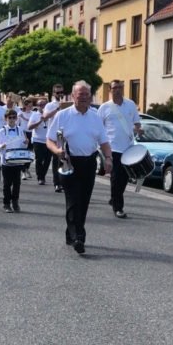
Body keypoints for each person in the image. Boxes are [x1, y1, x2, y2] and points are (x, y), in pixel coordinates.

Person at [46, 81, 112, 254]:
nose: (83, 97)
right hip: (69, 161)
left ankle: (71, 233)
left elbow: (104, 140)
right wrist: (57, 150)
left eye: (86, 95)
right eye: (80, 94)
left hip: (89, 163)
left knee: (83, 201)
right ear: (73, 96)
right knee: (73, 199)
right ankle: (78, 237)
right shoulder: (63, 115)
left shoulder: (95, 116)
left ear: (90, 97)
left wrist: (109, 158)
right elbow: (50, 139)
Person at [99, 79, 143, 218]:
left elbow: (137, 123)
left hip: (128, 147)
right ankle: (118, 207)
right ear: (110, 90)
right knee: (116, 178)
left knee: (124, 178)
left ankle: (114, 198)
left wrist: (138, 130)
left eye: (120, 87)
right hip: (112, 148)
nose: (117, 89)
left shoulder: (130, 105)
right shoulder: (104, 107)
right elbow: (98, 127)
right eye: (115, 87)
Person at [0, 108, 27, 213]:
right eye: (10, 118)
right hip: (6, 161)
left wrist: (26, 143)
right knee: (7, 184)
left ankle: (15, 202)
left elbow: (23, 145)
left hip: (17, 160)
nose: (12, 120)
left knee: (17, 183)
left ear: (16, 118)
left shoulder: (20, 129)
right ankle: (6, 203)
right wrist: (1, 145)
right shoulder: (2, 130)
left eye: (14, 117)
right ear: (6, 119)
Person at [28, 97, 51, 185]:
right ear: (37, 106)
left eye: (44, 105)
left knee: (48, 160)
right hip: (38, 140)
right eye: (40, 105)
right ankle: (40, 177)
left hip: (48, 140)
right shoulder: (34, 115)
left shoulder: (50, 115)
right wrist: (39, 121)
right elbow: (29, 127)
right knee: (39, 159)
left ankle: (43, 175)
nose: (42, 106)